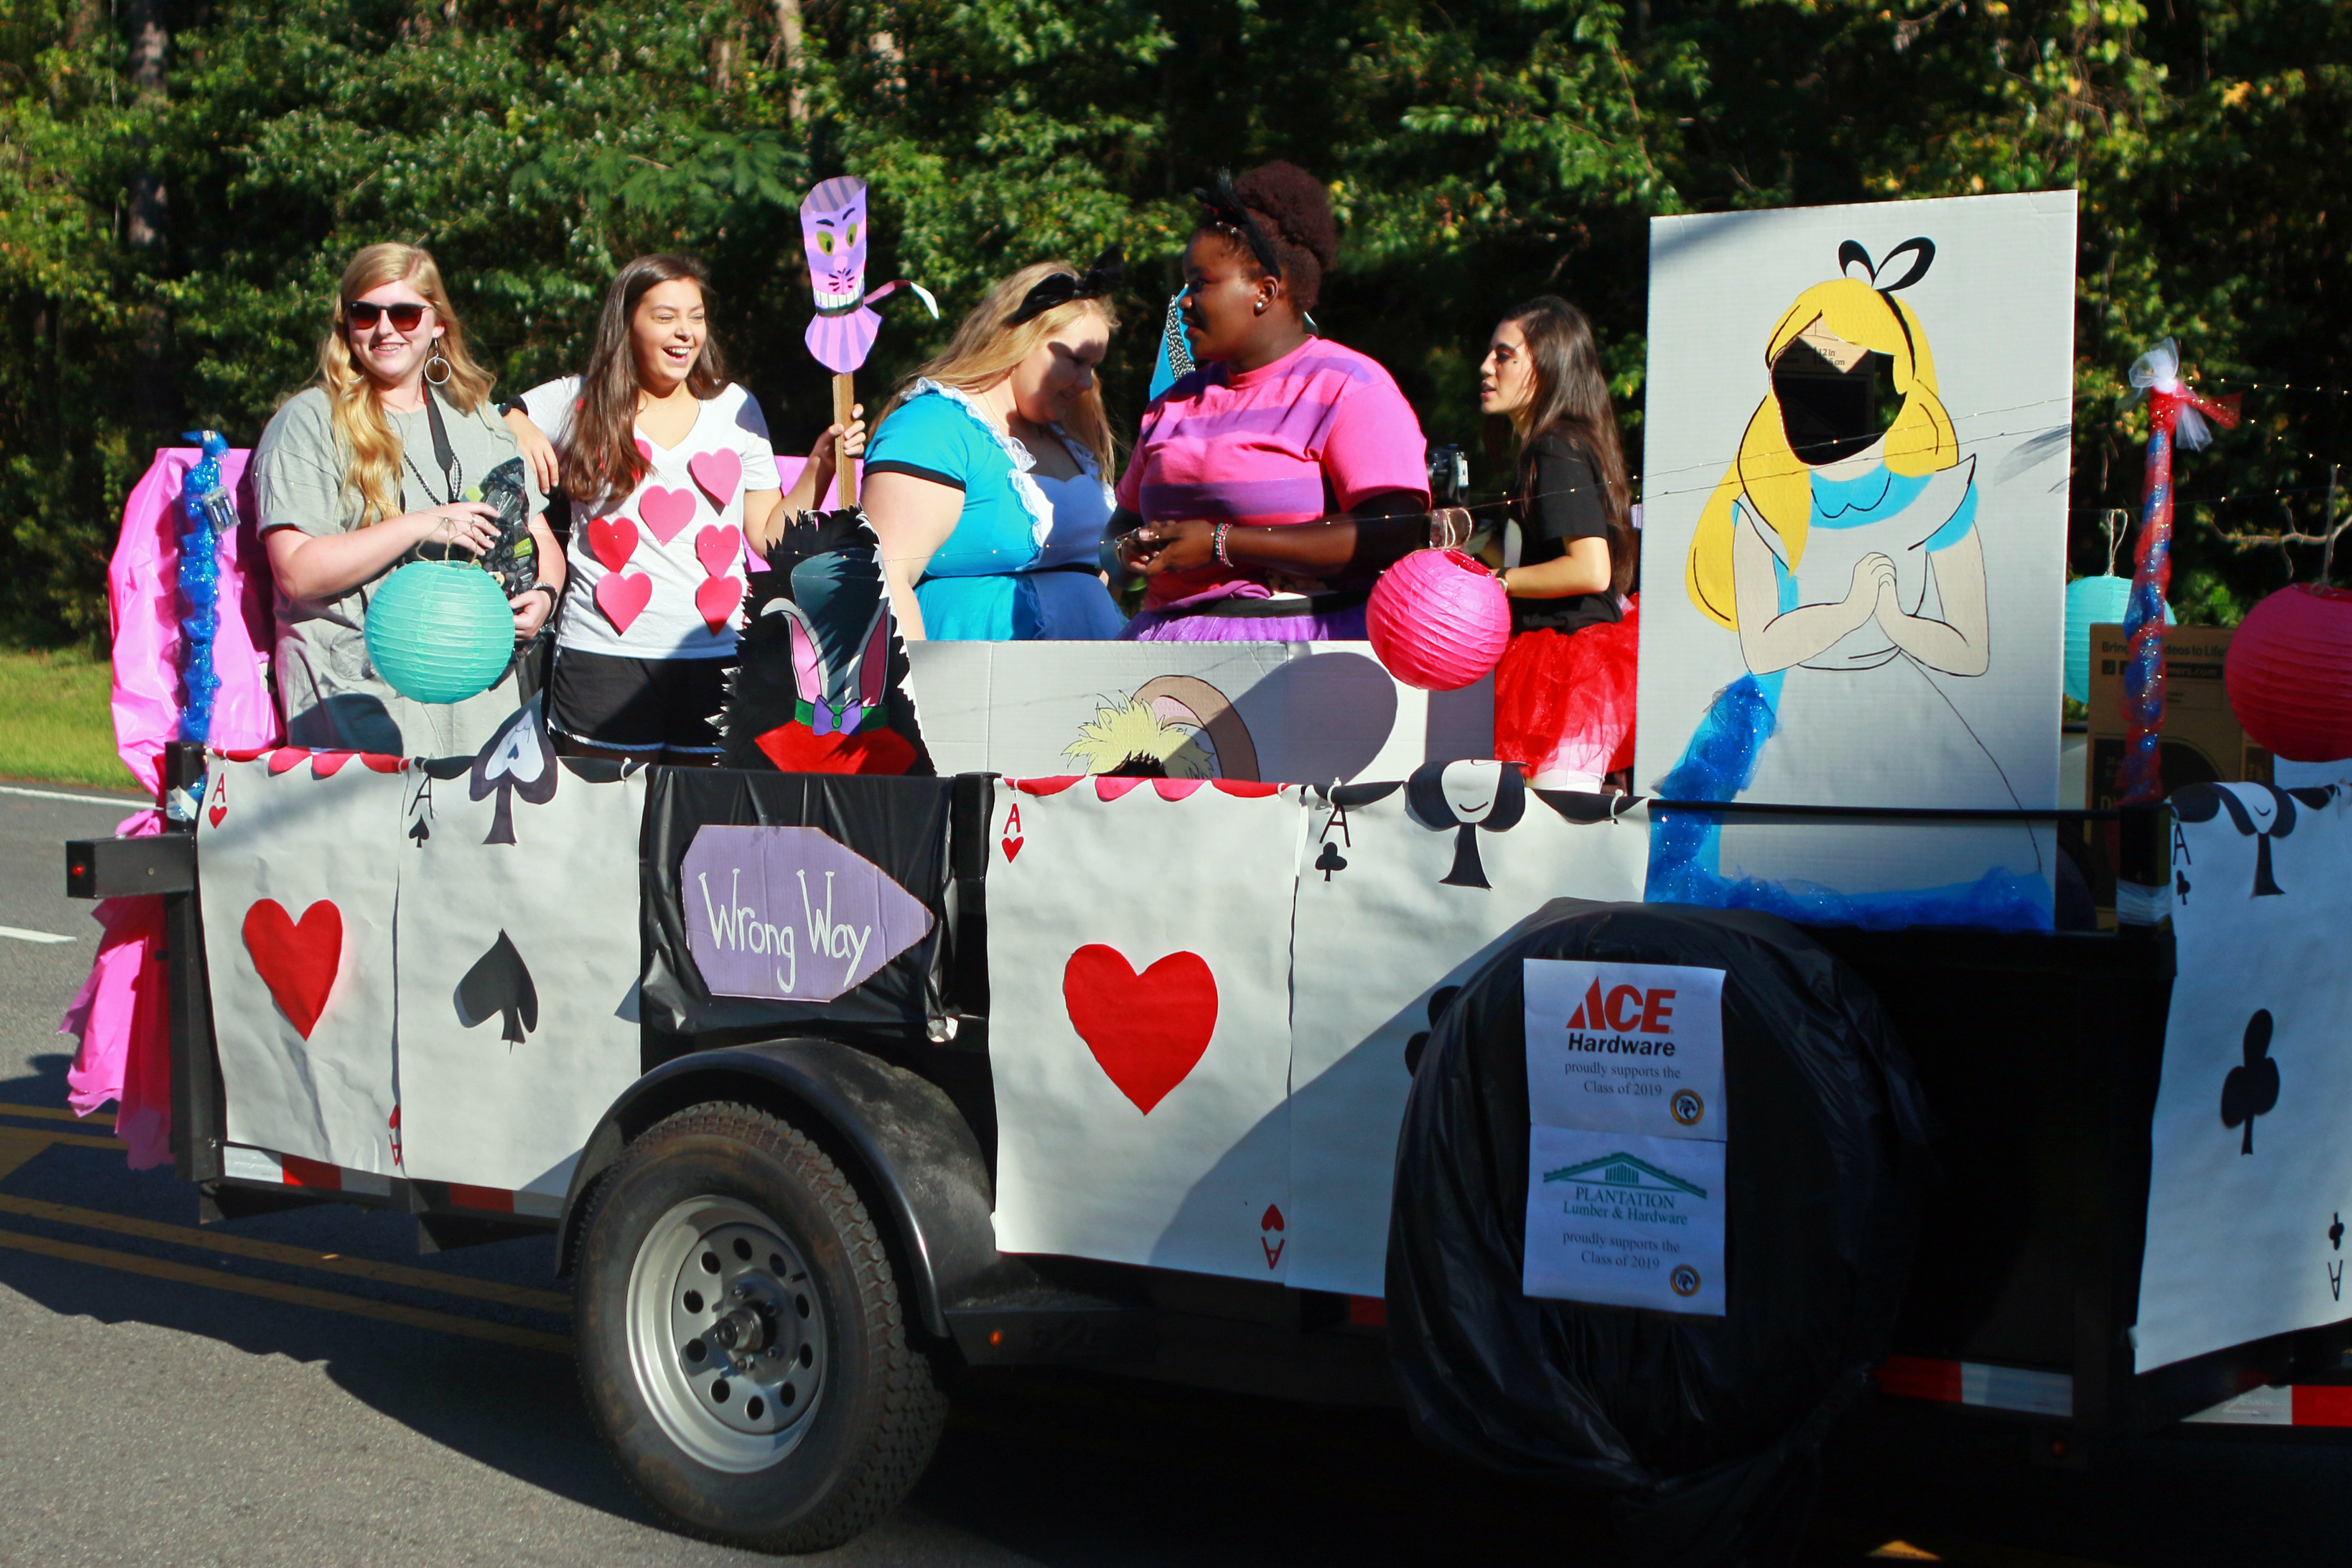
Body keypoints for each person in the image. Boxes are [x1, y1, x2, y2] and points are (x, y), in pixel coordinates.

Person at [501, 253, 863, 762]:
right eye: (666, 317)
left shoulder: (737, 409)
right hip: (604, 661)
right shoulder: (577, 400)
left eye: (696, 317)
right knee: (607, 827)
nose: (685, 333)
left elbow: (766, 535)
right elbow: (492, 417)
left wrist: (820, 468)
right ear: (627, 324)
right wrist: (515, 421)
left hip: (719, 662)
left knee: (700, 828)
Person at [254, 242, 563, 758]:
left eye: (404, 313)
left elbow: (541, 538)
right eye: (365, 313)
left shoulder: (482, 419)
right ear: (345, 323)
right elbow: (297, 573)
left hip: (481, 708)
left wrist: (545, 597)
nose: (385, 329)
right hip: (357, 704)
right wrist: (422, 525)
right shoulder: (308, 421)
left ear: (437, 323)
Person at [1116, 163, 1433, 640]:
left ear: (1265, 291)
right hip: (1163, 660)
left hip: (1297, 664)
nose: (1182, 302)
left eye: (1200, 283)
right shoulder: (1173, 403)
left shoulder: (1349, 386)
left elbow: (1395, 529)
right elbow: (1119, 526)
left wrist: (1223, 545)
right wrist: (1126, 554)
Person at [861, 252, 1127, 640]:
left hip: (1088, 686)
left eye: (1094, 366)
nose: (1087, 383)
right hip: (970, 684)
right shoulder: (932, 427)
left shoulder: (1070, 441)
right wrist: (917, 696)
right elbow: (886, 577)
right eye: (1074, 360)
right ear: (1019, 340)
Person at [1479, 297, 1641, 792]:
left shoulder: (1555, 446)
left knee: (1553, 830)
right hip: (1569, 667)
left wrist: (1495, 583)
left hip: (1570, 670)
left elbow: (1590, 569)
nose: (1486, 367)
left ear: (1547, 369)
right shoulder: (1558, 445)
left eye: (1504, 356)